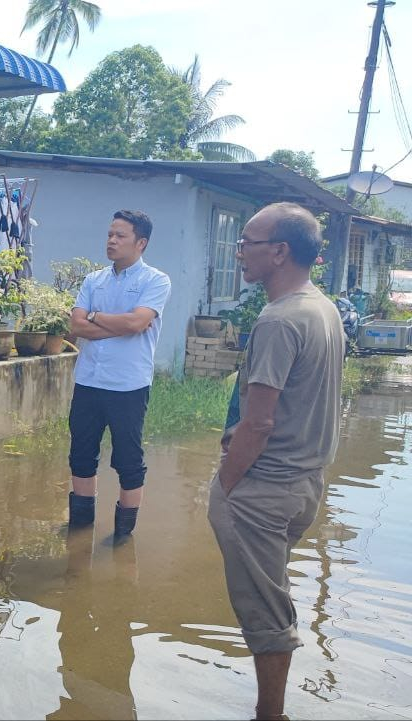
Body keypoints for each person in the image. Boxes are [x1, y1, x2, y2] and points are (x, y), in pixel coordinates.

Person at [208, 203, 342, 721]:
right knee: (274, 591)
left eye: (248, 242)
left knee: (264, 610)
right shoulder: (322, 308)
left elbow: (259, 422)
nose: (240, 251)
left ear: (280, 252)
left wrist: (226, 484)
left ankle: (271, 715)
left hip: (264, 487)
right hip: (306, 483)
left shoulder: (280, 320)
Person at [66, 210, 172, 540]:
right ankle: (80, 527)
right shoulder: (93, 280)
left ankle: (122, 537)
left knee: (128, 460)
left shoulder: (155, 281)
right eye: (110, 234)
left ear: (141, 243)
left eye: (120, 236)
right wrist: (121, 324)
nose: (111, 240)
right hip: (88, 381)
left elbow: (137, 323)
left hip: (128, 385)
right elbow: (75, 326)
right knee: (81, 455)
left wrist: (96, 317)